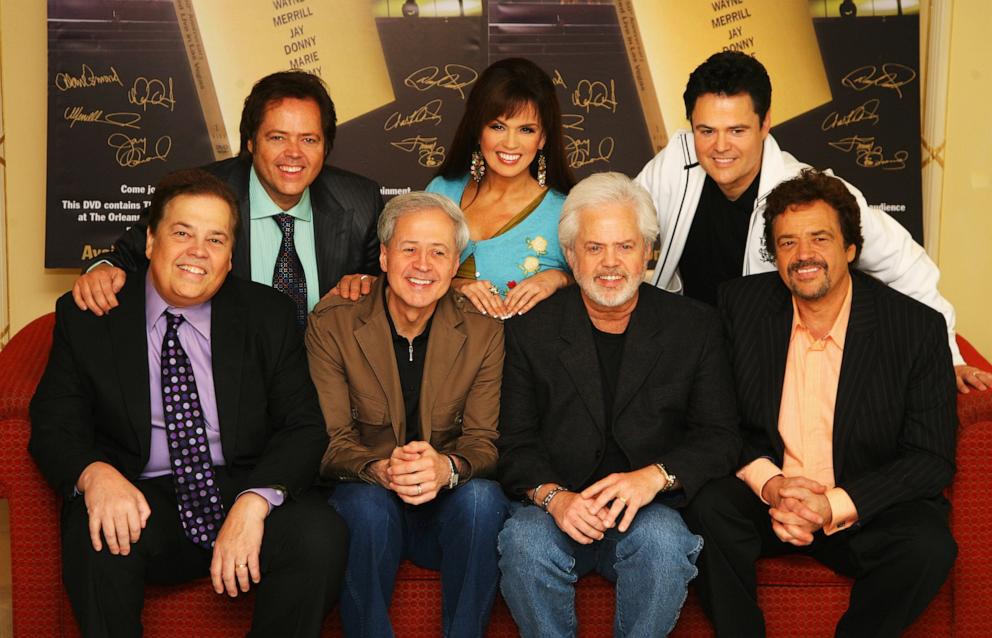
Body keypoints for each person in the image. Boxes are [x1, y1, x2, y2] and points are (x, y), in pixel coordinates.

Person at [29, 169, 348, 638]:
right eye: (182, 233)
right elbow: (54, 424)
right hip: (141, 493)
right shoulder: (92, 316)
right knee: (94, 536)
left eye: (215, 239)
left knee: (320, 536)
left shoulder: (267, 315)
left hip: (240, 483)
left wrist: (256, 501)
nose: (198, 251)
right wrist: (95, 475)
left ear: (229, 256)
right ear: (151, 242)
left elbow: (302, 426)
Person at [683, 169, 958, 637]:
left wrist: (830, 505)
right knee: (706, 507)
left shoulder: (915, 328)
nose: (803, 255)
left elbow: (930, 459)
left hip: (859, 504)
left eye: (819, 238)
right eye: (787, 242)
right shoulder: (739, 307)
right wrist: (772, 486)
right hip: (769, 500)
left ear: (850, 248)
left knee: (928, 545)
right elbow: (715, 420)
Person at [634, 50, 990, 393]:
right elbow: (619, 218)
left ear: (765, 123)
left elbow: (905, 264)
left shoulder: (809, 192)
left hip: (766, 368)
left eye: (737, 130)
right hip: (686, 359)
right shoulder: (673, 163)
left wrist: (951, 356)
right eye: (706, 130)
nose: (720, 146)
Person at [496, 172, 741, 637]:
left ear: (648, 252)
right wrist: (555, 498)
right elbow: (514, 441)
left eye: (625, 246)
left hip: (647, 510)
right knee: (524, 542)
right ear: (571, 255)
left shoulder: (695, 327)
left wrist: (655, 477)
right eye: (594, 248)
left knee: (667, 542)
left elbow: (720, 436)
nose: (611, 263)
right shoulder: (532, 330)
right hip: (556, 507)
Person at [306, 191, 509, 638]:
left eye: (438, 252)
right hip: (369, 498)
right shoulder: (332, 322)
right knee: (365, 506)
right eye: (409, 249)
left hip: (447, 506)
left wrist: (446, 468)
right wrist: (380, 469)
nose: (423, 264)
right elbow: (330, 440)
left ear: (456, 265)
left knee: (485, 500)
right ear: (382, 255)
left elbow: (483, 441)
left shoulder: (483, 331)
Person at [71, 70, 383, 329]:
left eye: (309, 140)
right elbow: (126, 258)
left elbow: (385, 284)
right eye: (277, 137)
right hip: (229, 380)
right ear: (250, 142)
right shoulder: (197, 193)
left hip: (324, 381)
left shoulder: (360, 201)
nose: (294, 153)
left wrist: (368, 282)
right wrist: (100, 270)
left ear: (325, 146)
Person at [334, 57, 575, 319]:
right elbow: (405, 278)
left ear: (543, 138)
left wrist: (560, 279)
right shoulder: (442, 192)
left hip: (523, 358)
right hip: (439, 355)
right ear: (477, 129)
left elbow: (597, 293)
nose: (510, 143)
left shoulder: (565, 212)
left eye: (526, 130)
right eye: (498, 126)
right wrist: (458, 285)